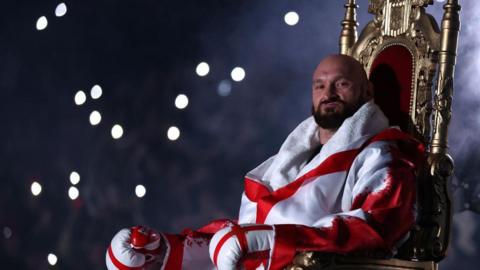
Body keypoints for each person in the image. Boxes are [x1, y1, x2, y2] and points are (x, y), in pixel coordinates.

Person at [105, 55, 424, 270]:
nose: (328, 93)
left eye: (341, 84)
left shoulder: (383, 155)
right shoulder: (289, 158)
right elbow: (245, 235)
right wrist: (170, 252)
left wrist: (270, 241)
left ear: (367, 92)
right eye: (319, 85)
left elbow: (376, 229)